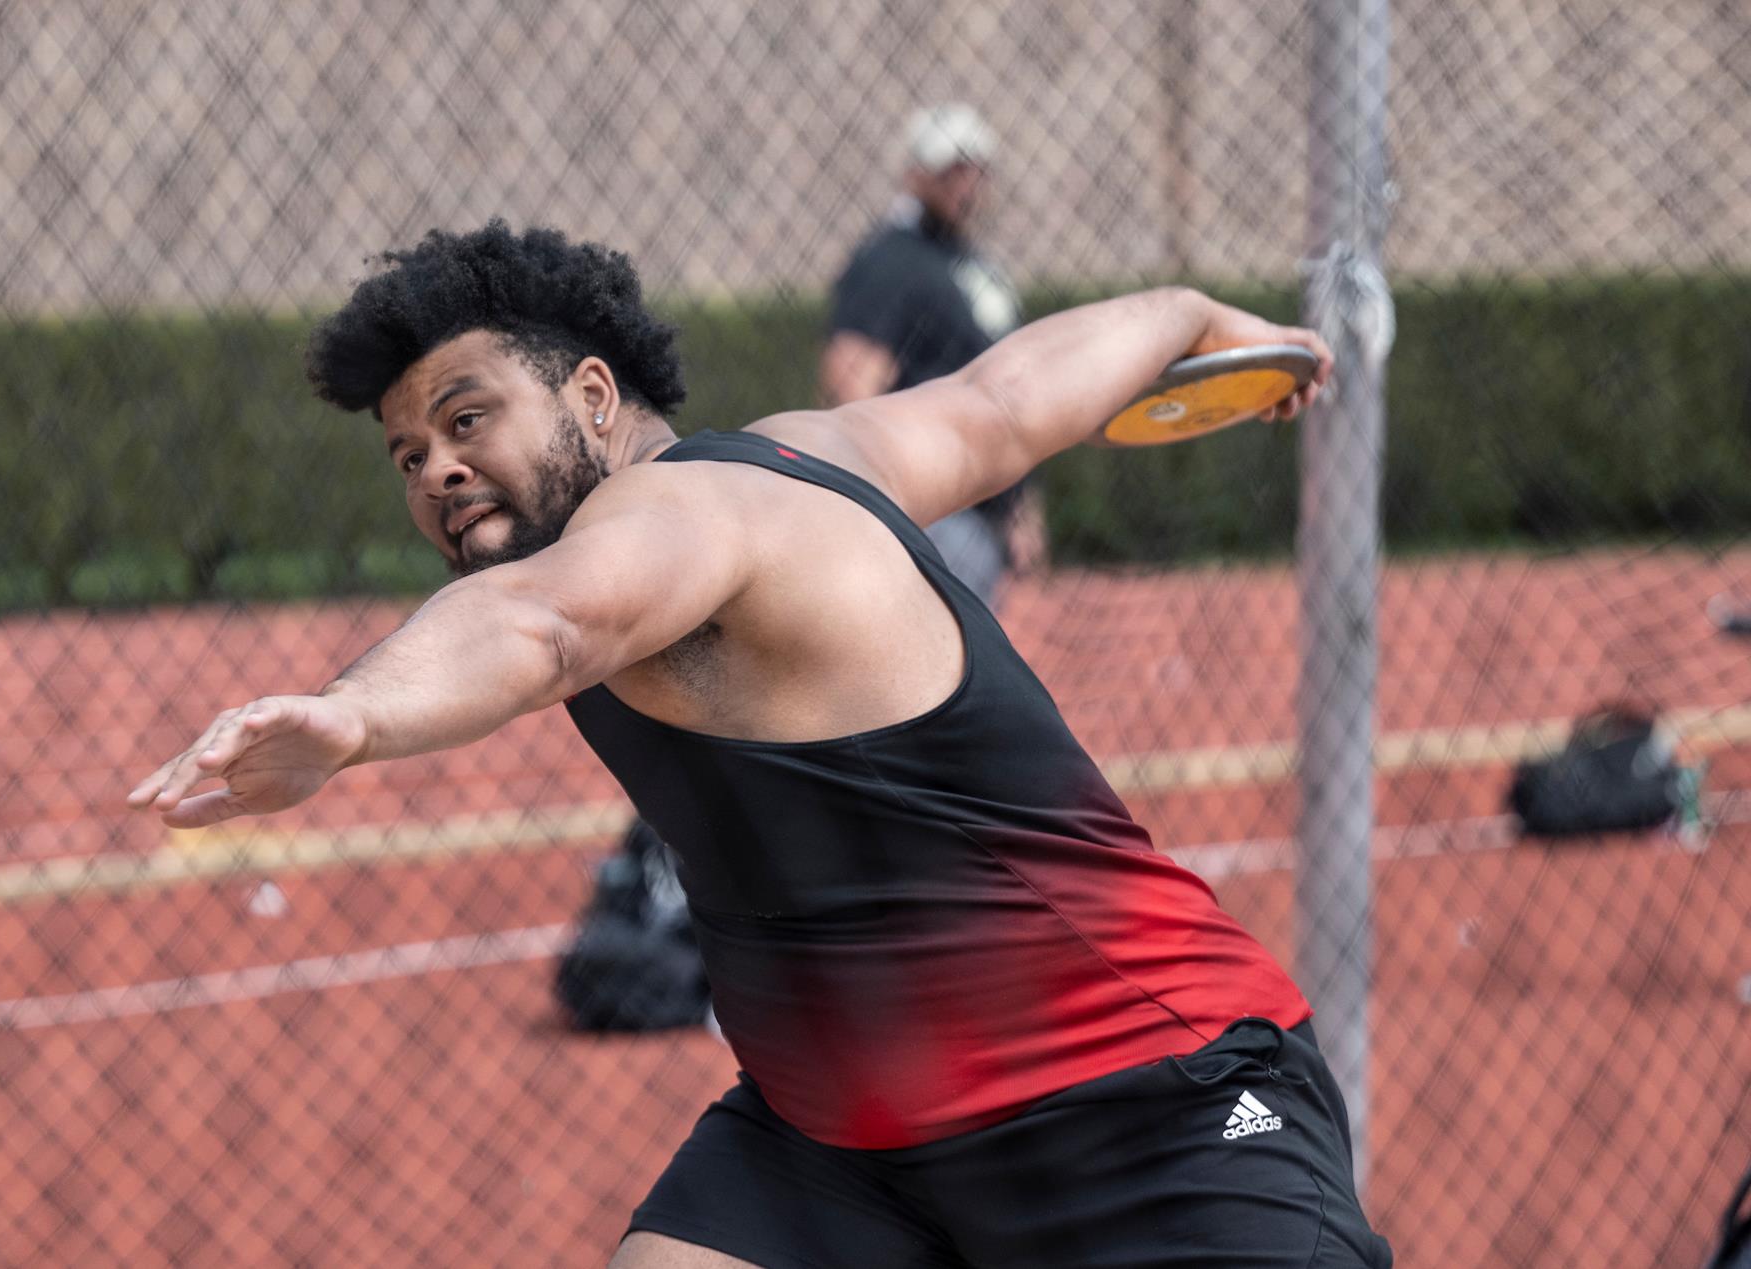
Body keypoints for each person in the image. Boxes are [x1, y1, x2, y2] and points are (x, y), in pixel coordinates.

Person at [130, 222, 1390, 1267]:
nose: (438, 473)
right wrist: (1178, 315)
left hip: (1142, 1108)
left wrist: (354, 717)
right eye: (410, 454)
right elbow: (1002, 406)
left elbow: (541, 626)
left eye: (468, 421)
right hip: (839, 1153)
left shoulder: (672, 518)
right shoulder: (813, 453)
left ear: (591, 396)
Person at [820, 103, 1045, 607]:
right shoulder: (889, 261)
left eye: (974, 170)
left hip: (982, 503)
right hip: (931, 508)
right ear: (916, 175)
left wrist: (1019, 507)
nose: (965, 185)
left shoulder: (967, 263)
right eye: (950, 171)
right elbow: (851, 384)